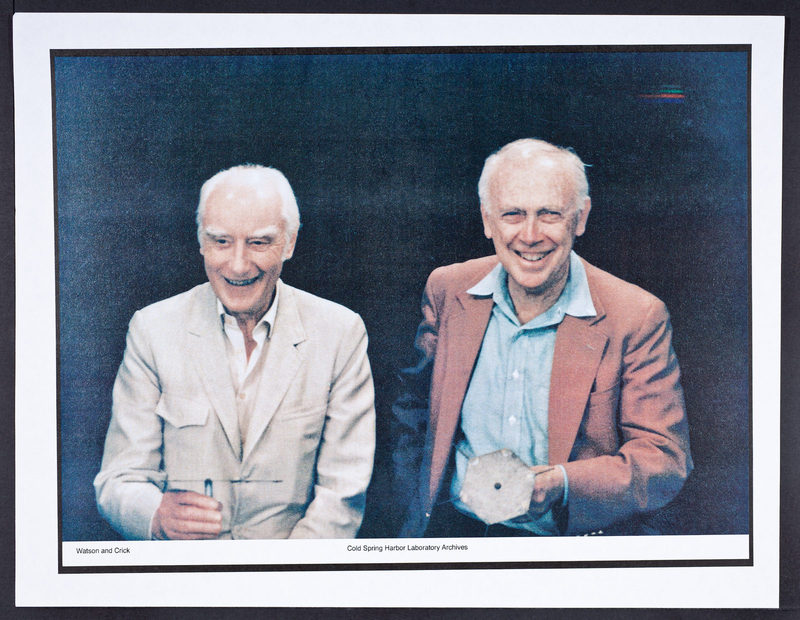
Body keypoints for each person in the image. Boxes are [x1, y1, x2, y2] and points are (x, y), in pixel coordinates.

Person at [394, 138, 692, 537]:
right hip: (453, 533)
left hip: (565, 546)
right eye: (512, 214)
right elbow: (412, 411)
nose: (530, 235)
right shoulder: (447, 289)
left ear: (580, 218)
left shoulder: (636, 316)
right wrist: (415, 507)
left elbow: (664, 459)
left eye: (549, 214)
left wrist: (562, 484)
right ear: (487, 220)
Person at [95, 164, 375, 540]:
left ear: (290, 243)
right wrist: (156, 516)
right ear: (201, 241)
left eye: (259, 242)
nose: (239, 264)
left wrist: (285, 571)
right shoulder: (152, 330)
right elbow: (118, 480)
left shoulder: (340, 333)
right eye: (221, 241)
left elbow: (342, 494)